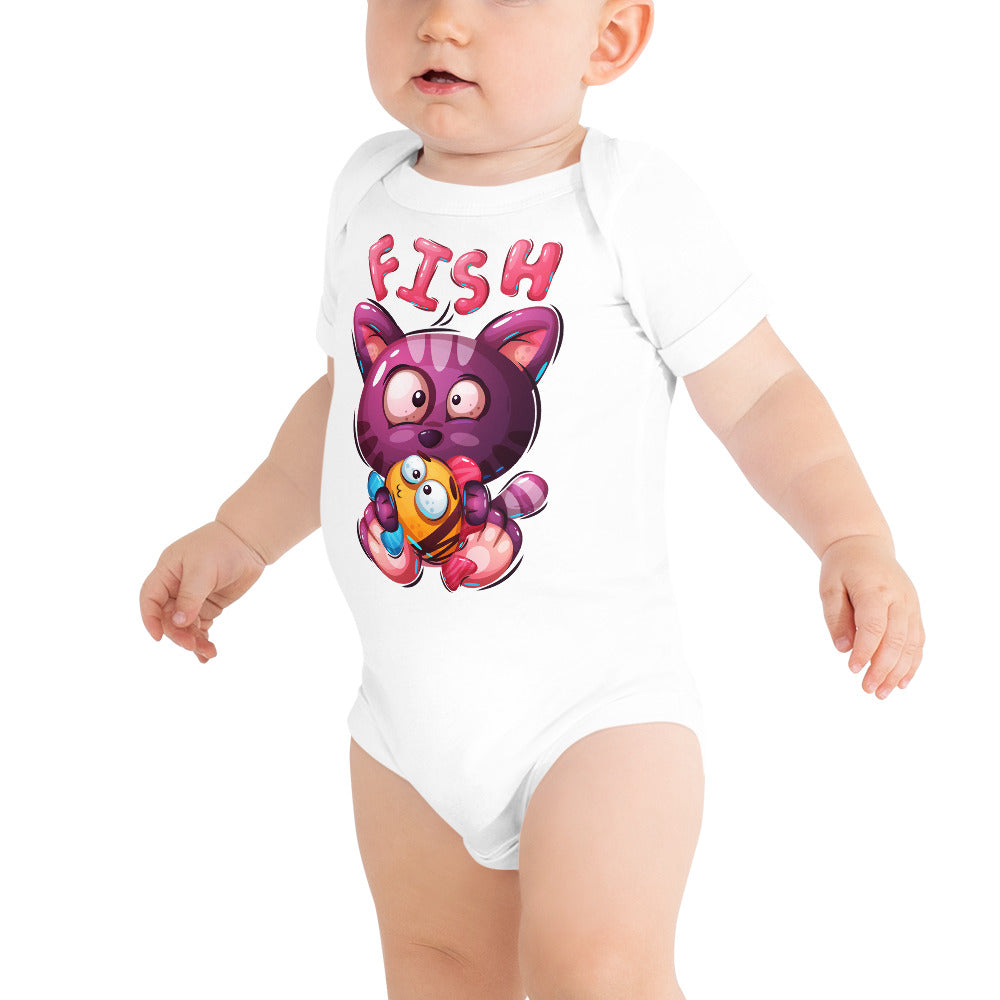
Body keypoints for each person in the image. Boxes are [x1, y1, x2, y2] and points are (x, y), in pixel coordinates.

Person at [139, 1, 924, 997]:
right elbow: (346, 402)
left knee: (596, 973)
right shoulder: (366, 189)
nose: (442, 21)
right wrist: (241, 532)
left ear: (609, 39)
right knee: (437, 971)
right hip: (405, 724)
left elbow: (761, 392)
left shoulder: (626, 200)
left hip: (597, 714)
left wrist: (850, 533)